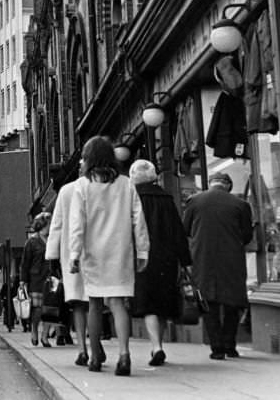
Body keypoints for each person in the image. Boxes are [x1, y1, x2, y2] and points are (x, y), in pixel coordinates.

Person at [67, 136, 149, 376]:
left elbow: (77, 224)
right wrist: (142, 250)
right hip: (120, 251)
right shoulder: (125, 184)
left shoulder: (82, 186)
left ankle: (94, 358)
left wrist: (74, 253)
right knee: (117, 303)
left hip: (93, 253)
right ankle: (124, 355)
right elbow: (138, 219)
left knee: (94, 303)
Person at [182, 171, 253, 360]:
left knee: (208, 303)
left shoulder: (194, 201)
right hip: (232, 258)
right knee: (232, 302)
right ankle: (230, 345)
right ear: (228, 186)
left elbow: (186, 229)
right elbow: (247, 235)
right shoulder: (241, 205)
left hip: (203, 257)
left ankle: (217, 348)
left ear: (210, 184)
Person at [128, 159, 192, 366]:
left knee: (148, 304)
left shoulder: (132, 198)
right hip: (166, 258)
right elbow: (177, 231)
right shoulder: (166, 198)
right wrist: (185, 260)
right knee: (162, 303)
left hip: (141, 257)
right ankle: (159, 344)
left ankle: (156, 346)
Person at [46, 172, 90, 365]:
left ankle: (83, 348)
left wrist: (52, 256)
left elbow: (56, 226)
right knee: (97, 302)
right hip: (98, 253)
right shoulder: (104, 187)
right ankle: (95, 344)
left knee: (79, 304)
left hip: (72, 254)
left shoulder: (66, 191)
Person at [20, 212, 54, 348]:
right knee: (38, 310)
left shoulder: (53, 239)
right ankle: (34, 330)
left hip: (51, 278)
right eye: (50, 223)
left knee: (51, 309)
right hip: (36, 279)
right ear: (43, 225)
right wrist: (23, 281)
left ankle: (45, 336)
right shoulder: (32, 242)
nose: (52, 226)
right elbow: (25, 263)